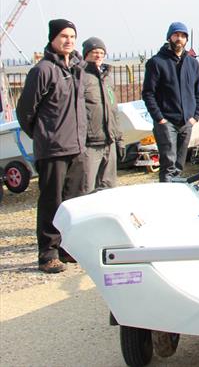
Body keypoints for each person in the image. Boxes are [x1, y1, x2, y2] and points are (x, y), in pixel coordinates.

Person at [16, 19, 87, 274]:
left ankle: (68, 248)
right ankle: (48, 253)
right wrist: (43, 135)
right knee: (51, 202)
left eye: (72, 36)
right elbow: (25, 111)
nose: (68, 41)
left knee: (73, 202)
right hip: (53, 148)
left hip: (76, 147)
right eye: (63, 36)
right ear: (53, 39)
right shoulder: (43, 70)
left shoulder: (78, 68)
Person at [141, 22, 199, 183]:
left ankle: (177, 194)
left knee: (179, 165)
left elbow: (198, 91)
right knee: (168, 165)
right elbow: (148, 93)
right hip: (166, 121)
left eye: (183, 36)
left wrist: (195, 116)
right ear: (169, 37)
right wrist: (159, 118)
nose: (179, 39)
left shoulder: (192, 63)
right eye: (176, 35)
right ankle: (166, 196)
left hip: (186, 121)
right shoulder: (156, 62)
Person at [82, 37, 124, 192]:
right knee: (87, 188)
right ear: (86, 54)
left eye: (101, 52)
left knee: (109, 188)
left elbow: (114, 111)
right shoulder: (80, 77)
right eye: (94, 52)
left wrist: (119, 139)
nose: (98, 55)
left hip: (110, 141)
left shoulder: (107, 78)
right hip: (90, 143)